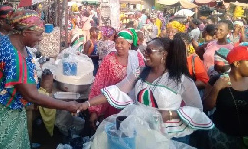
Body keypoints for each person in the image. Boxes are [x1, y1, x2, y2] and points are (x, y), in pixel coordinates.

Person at [0, 9, 80, 149]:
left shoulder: (10, 40)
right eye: (38, 35)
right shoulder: (14, 58)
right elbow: (32, 96)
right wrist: (67, 105)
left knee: (18, 141)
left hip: (4, 100)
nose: (41, 38)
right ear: (24, 33)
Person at [80, 37, 213, 144]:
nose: (145, 54)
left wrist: (171, 114)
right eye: (145, 50)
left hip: (167, 137)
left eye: (150, 51)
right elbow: (117, 90)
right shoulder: (140, 72)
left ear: (164, 54)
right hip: (140, 132)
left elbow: (197, 109)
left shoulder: (180, 80)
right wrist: (87, 104)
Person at [87, 28, 145, 130]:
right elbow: (99, 84)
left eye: (122, 43)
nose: (118, 46)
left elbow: (143, 83)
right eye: (117, 43)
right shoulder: (109, 60)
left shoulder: (137, 58)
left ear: (129, 44)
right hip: (112, 105)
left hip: (132, 107)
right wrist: (95, 111)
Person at [203, 46, 248, 149]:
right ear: (237, 64)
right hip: (223, 138)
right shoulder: (217, 80)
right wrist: (217, 88)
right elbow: (207, 106)